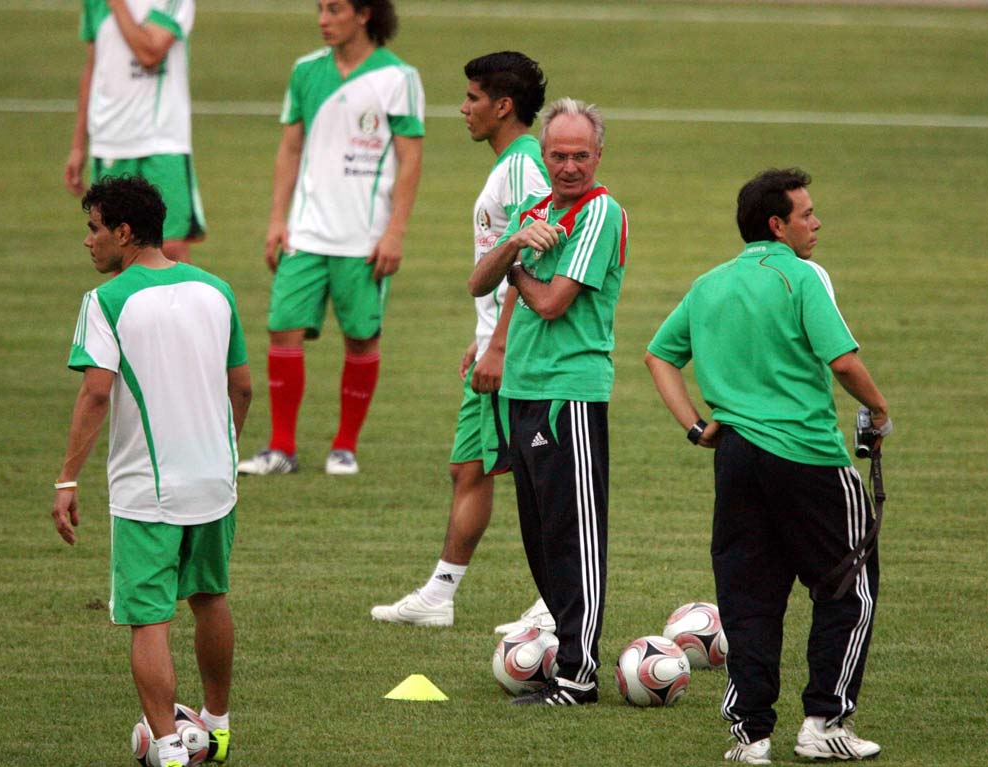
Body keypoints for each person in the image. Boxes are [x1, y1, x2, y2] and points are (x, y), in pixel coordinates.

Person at [644, 168, 891, 763]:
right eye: (806, 214)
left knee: (750, 598)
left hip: (735, 462)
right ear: (776, 225)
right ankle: (824, 723)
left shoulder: (709, 284)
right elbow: (844, 362)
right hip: (807, 459)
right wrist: (879, 411)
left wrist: (697, 426)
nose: (817, 222)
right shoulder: (799, 278)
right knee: (847, 588)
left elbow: (658, 355)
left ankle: (751, 736)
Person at [52, 176, 251, 767]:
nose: (88, 242)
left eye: (94, 229)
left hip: (148, 491)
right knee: (210, 597)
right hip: (217, 482)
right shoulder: (217, 289)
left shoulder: (107, 301)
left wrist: (67, 479)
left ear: (125, 232)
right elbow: (242, 387)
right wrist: (219, 450)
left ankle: (166, 746)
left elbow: (94, 395)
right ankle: (215, 725)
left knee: (149, 618)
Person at [371, 52, 554, 633]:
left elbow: (531, 251)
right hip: (495, 341)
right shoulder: (507, 165)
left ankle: (556, 602)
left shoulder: (525, 166)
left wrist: (500, 342)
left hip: (520, 349)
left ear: (503, 106)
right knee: (468, 467)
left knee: (537, 474)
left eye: (473, 98)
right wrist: (483, 338)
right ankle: (440, 594)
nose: (464, 108)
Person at [469, 98, 628, 706]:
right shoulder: (536, 212)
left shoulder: (599, 212)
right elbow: (476, 280)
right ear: (542, 154)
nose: (569, 167)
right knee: (539, 534)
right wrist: (513, 248)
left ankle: (578, 676)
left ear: (598, 155)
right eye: (558, 155)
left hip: (570, 395)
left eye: (580, 156)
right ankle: (565, 658)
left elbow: (553, 302)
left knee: (575, 535)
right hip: (524, 394)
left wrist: (517, 271)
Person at [237, 0, 424, 477]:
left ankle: (344, 446)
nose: (322, 18)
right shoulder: (304, 72)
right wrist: (277, 220)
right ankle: (281, 448)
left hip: (364, 238)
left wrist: (395, 231)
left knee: (361, 338)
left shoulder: (399, 78)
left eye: (334, 8)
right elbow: (290, 147)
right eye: (319, 8)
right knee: (282, 328)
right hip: (306, 232)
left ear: (363, 14)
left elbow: (411, 159)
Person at [64, 0, 206, 263]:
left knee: (171, 248)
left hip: (163, 141)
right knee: (117, 252)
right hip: (111, 140)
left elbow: (150, 54)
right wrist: (77, 145)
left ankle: (175, 306)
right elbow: (93, 66)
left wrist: (117, 4)